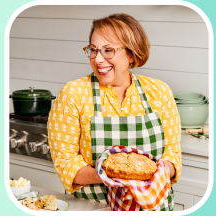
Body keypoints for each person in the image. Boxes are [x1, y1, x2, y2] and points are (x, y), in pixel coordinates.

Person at [47, 13, 182, 211]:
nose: (98, 59)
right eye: (93, 50)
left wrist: (158, 172)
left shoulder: (159, 92)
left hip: (155, 208)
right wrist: (112, 175)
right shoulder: (73, 93)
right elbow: (66, 164)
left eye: (108, 50)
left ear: (132, 54)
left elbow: (173, 156)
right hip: (94, 207)